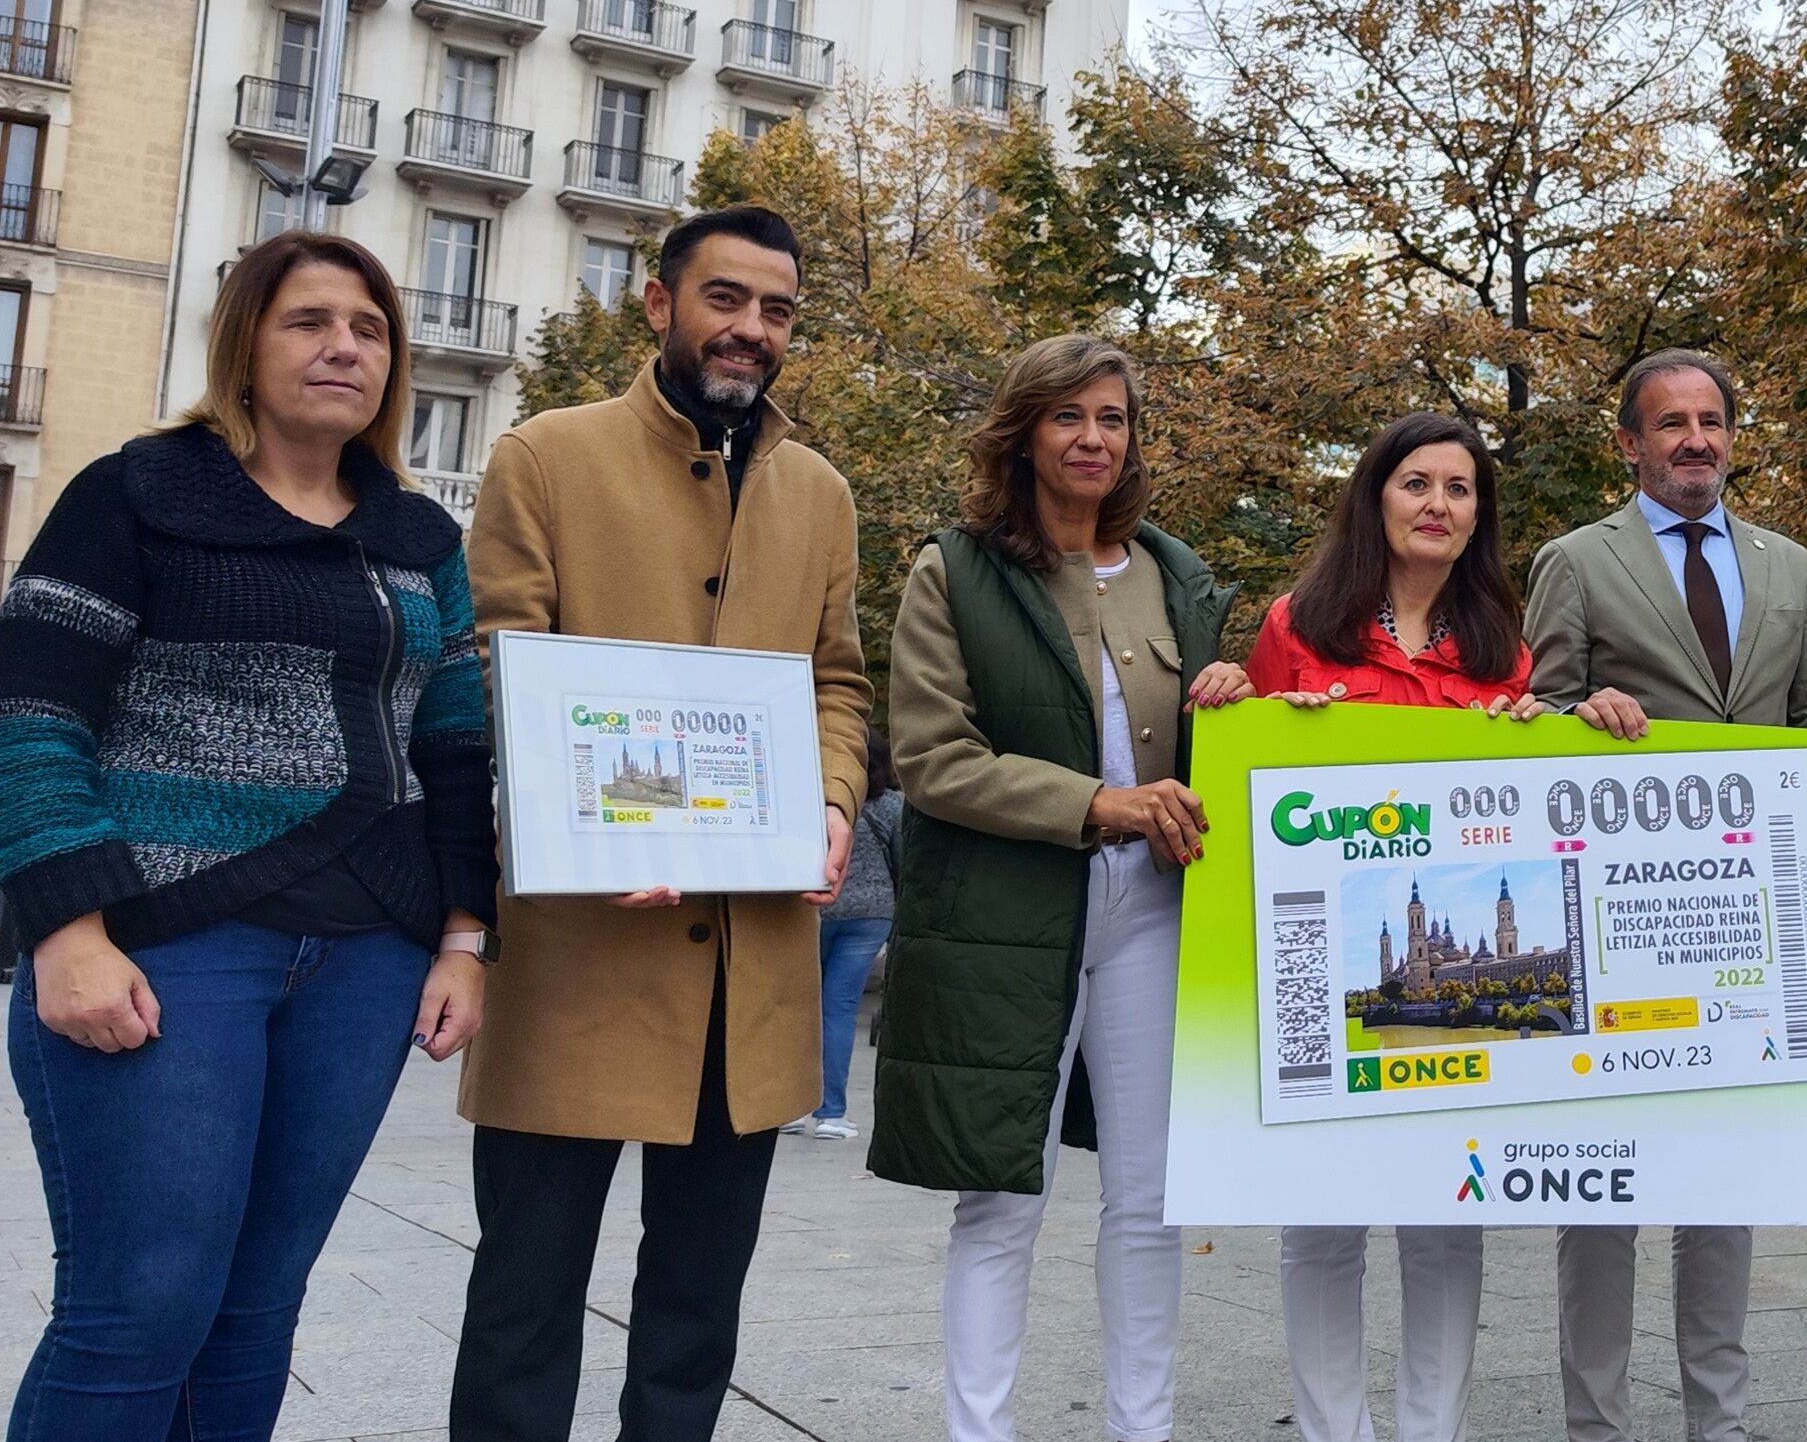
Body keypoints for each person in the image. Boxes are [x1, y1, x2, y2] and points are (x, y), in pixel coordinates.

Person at [0, 231, 493, 1442]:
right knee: (138, 1308)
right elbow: (29, 714)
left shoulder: (421, 539)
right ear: (245, 344)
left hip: (365, 959)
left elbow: (457, 749)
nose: (344, 346)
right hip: (170, 941)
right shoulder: (137, 492)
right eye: (310, 320)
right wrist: (67, 929)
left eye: (369, 328)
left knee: (258, 1310)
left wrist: (466, 938)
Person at [451, 206, 871, 1442]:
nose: (751, 328)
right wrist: (587, 825)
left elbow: (838, 679)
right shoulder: (545, 454)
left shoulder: (822, 492)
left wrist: (832, 799)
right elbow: (497, 663)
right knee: (524, 1296)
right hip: (579, 949)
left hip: (747, 963)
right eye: (725, 297)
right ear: (659, 302)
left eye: (777, 309)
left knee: (696, 1308)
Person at [868, 335, 1243, 1442]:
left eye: (1112, 417)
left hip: (1155, 910)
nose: (1092, 437)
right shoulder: (956, 568)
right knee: (1001, 1194)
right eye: (1068, 415)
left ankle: (1144, 1427)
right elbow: (932, 757)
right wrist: (1099, 802)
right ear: (1022, 431)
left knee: (1151, 1196)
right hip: (1008, 913)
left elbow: (1212, 746)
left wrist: (1241, 697)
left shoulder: (1177, 573)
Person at [1525, 348, 1807, 1442]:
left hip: (1745, 924)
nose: (1695, 439)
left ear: (1732, 435)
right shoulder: (1575, 560)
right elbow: (1530, 724)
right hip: (1619, 922)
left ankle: (1718, 1423)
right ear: (1629, 443)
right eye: (1671, 423)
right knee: (1604, 1194)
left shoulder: (1788, 565)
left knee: (1723, 1189)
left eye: (1711, 421)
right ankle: (1596, 1423)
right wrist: (1580, 715)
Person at [1248, 412, 1555, 1442]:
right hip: (1318, 959)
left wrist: (1552, 731)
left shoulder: (1504, 654)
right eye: (1417, 482)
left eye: (1459, 488)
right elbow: (1245, 782)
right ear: (1375, 496)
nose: (1437, 504)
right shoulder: (1298, 626)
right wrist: (1228, 698)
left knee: (1447, 1219)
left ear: (1478, 516)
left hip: (1440, 1023)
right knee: (1322, 1223)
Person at [803, 730, 901, 1139]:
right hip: (871, 916)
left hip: (814, 909)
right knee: (839, 1009)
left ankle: (791, 1107)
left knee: (800, 1006)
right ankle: (831, 1114)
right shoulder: (892, 806)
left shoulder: (812, 803)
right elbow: (903, 863)